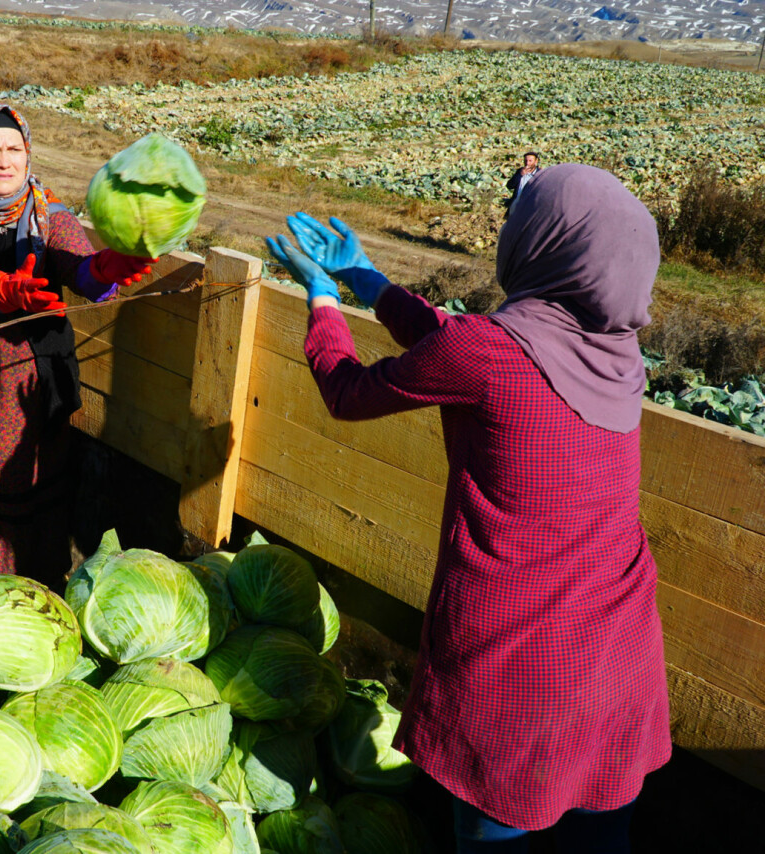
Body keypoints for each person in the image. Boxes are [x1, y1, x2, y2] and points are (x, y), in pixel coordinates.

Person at [266, 164, 670, 853]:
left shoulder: (488, 350)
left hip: (519, 672)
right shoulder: (616, 350)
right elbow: (462, 346)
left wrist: (323, 300)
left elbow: (350, 390)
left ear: (547, 244)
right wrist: (368, 280)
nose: (509, 226)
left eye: (521, 215)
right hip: (616, 665)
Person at [0, 103, 155, 587]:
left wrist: (108, 270)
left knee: (40, 475)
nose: (4, 161)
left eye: (14, 149)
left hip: (39, 378)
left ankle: (43, 578)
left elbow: (83, 271)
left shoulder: (52, 216)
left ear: (28, 155)